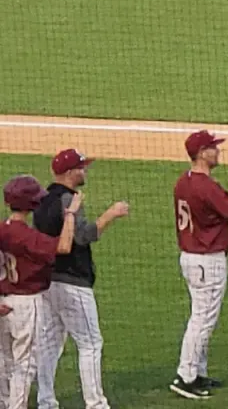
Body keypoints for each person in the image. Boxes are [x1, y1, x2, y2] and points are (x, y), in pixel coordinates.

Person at [33, 150, 129, 409]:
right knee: (90, 343)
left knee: (50, 343)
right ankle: (96, 404)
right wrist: (112, 214)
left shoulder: (41, 199)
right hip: (72, 282)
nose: (84, 171)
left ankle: (45, 400)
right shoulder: (69, 199)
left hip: (47, 282)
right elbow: (82, 236)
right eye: (81, 167)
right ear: (68, 173)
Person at [169, 132, 228, 399]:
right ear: (202, 152)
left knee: (201, 316)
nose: (218, 152)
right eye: (214, 148)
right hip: (207, 259)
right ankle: (186, 376)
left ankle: (198, 372)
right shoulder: (205, 186)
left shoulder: (183, 182)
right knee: (202, 320)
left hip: (192, 257)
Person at [0, 176, 82, 409]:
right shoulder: (26, 236)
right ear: (31, 204)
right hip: (26, 303)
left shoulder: (1, 230)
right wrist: (70, 215)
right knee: (24, 364)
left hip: (3, 301)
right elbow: (63, 246)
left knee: (5, 361)